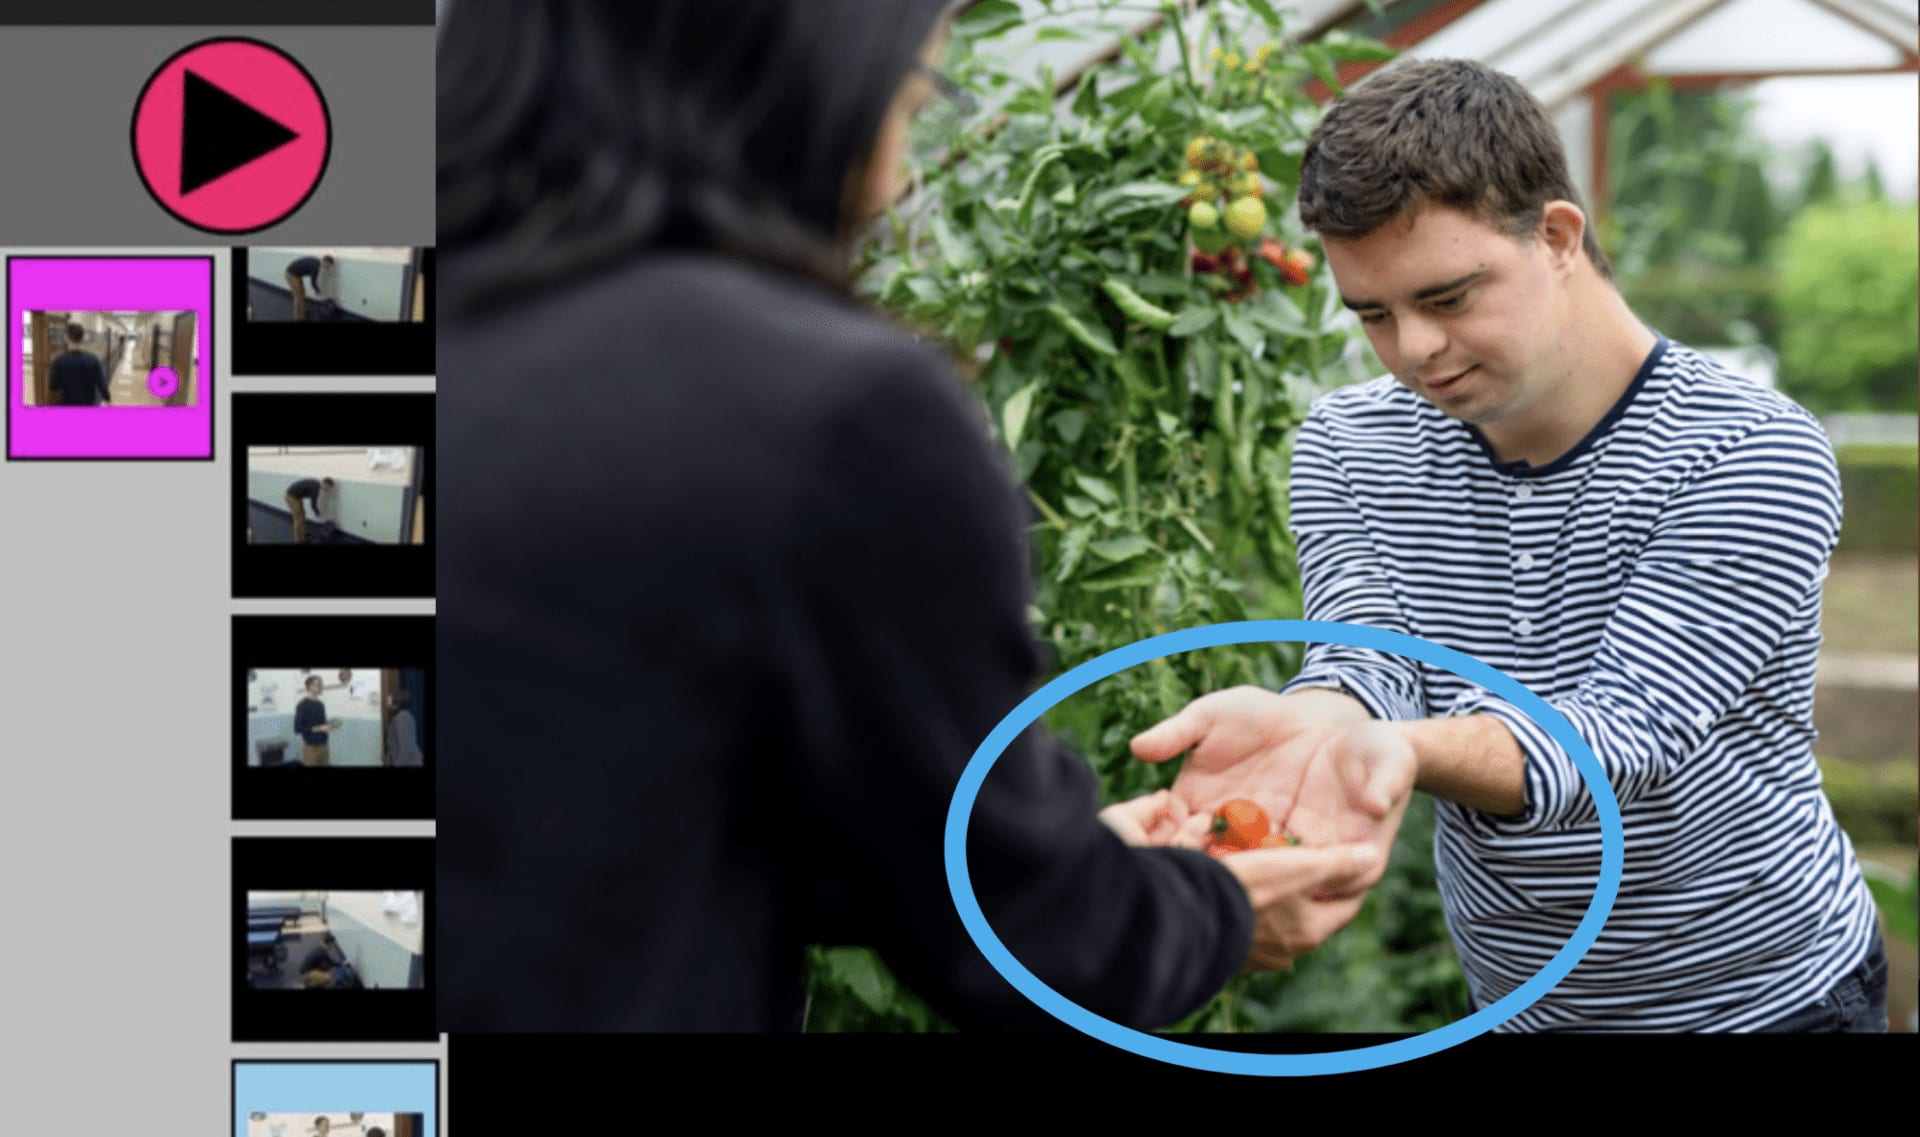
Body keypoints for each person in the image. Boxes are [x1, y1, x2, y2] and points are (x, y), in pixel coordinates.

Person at [434, 0, 1390, 1034]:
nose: (894, 170)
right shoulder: (820, 410)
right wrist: (1207, 906)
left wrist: (1018, 848)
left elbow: (597, 813)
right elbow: (1027, 933)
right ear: (802, 87)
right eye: (910, 96)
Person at [1131, 58, 1887, 1033]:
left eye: (1446, 299)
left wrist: (1387, 750)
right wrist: (1314, 723)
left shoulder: (1747, 450)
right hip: (1519, 1002)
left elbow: (1624, 734)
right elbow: (1372, 655)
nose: (1413, 352)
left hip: (1764, 999)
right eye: (1373, 315)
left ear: (1558, 235)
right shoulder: (1349, 445)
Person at [46, 322, 111, 406]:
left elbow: (53, 386)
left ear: (66, 338)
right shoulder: (93, 360)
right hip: (88, 403)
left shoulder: (59, 361)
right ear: (82, 338)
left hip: (67, 404)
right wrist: (107, 398)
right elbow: (101, 384)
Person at [293, 675, 336, 767]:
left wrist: (329, 726)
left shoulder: (320, 705)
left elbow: (323, 723)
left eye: (320, 684)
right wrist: (319, 728)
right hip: (311, 748)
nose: (320, 687)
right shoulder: (302, 706)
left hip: (324, 746)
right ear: (310, 686)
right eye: (317, 684)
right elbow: (297, 729)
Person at [284, 476, 334, 544]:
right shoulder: (315, 487)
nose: (327, 490)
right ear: (324, 483)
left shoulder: (316, 485)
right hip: (291, 496)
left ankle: (302, 536)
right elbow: (313, 505)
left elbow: (313, 502)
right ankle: (297, 540)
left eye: (329, 489)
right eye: (327, 488)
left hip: (297, 497)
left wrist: (318, 513)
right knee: (298, 519)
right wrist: (318, 514)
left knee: (302, 516)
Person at [285, 254, 335, 322]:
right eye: (327, 265)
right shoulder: (316, 266)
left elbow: (314, 279)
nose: (327, 267)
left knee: (302, 292)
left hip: (297, 274)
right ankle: (297, 318)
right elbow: (313, 282)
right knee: (298, 298)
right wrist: (317, 291)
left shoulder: (317, 263)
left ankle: (303, 311)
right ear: (324, 261)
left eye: (329, 266)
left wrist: (317, 289)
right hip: (291, 274)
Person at [385, 688, 423, 767]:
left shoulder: (403, 717)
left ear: (397, 702)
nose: (387, 703)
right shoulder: (399, 717)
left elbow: (406, 749)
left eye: (390, 700)